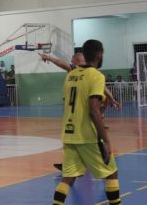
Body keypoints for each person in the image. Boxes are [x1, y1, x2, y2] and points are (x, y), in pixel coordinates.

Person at [52, 40, 121, 205]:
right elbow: (93, 110)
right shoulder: (96, 75)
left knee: (68, 177)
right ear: (99, 54)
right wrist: (106, 140)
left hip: (69, 134)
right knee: (111, 173)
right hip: (87, 135)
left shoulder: (71, 75)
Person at [40, 52, 120, 171]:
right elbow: (103, 88)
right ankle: (74, 164)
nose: (71, 62)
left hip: (84, 118)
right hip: (80, 117)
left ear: (78, 60)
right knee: (78, 144)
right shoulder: (92, 74)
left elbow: (62, 64)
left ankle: (98, 164)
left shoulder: (78, 71)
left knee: (87, 143)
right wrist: (113, 99)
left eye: (73, 59)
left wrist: (49, 58)